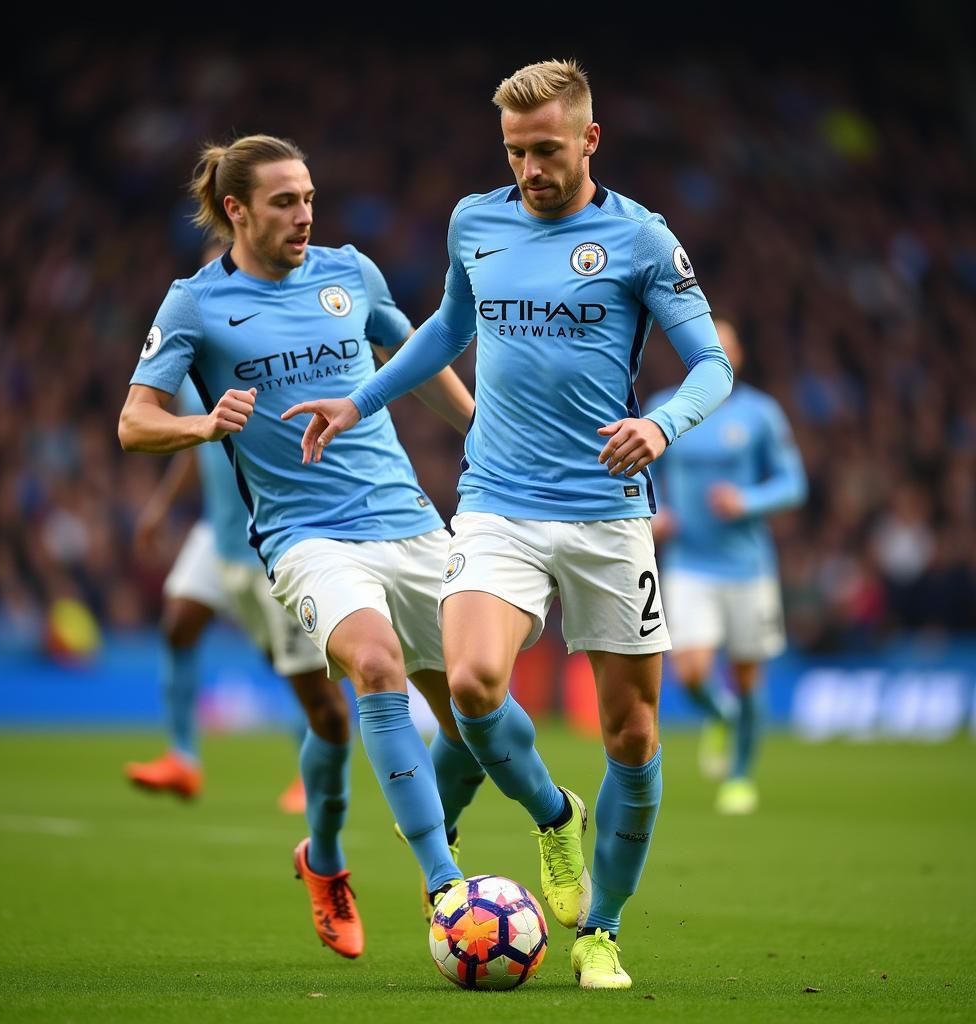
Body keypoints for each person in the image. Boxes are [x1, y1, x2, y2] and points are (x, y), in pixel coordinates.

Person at [286, 60, 733, 989]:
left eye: (546, 150)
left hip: (610, 516)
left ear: (589, 141)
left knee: (635, 736)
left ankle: (599, 931)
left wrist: (660, 424)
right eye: (515, 152)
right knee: (477, 685)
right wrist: (358, 402)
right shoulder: (474, 221)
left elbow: (710, 369)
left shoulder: (643, 239)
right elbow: (448, 330)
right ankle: (552, 814)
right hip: (496, 504)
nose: (530, 168)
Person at [118, 134, 484, 961]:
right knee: (364, 681)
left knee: (467, 711)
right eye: (284, 201)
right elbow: (134, 421)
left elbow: (416, 352)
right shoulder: (194, 303)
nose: (304, 214)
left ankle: (333, 849)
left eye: (309, 197)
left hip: (401, 524)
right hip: (294, 542)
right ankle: (424, 878)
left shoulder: (350, 272)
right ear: (237, 210)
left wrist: (483, 431)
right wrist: (202, 424)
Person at [125, 375, 343, 815]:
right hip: (218, 534)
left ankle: (312, 777)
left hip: (273, 536)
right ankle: (183, 758)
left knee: (291, 667)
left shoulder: (270, 360)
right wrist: (163, 505)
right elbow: (199, 446)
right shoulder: (193, 372)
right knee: (178, 626)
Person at [648, 318, 807, 815]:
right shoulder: (664, 408)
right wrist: (654, 516)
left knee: (747, 674)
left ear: (737, 357)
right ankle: (723, 716)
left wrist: (748, 500)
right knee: (691, 671)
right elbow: (638, 481)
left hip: (747, 567)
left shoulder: (760, 414)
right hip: (689, 563)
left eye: (726, 346)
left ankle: (739, 778)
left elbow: (793, 484)